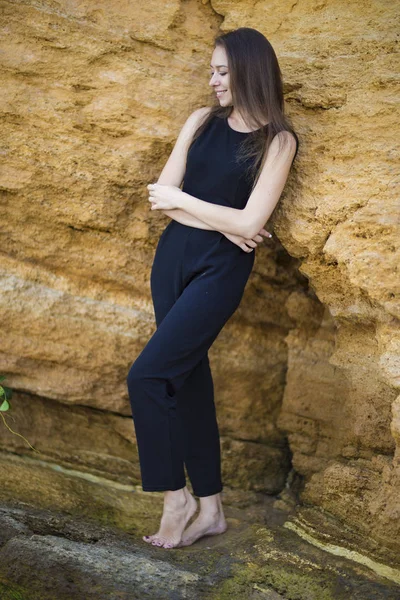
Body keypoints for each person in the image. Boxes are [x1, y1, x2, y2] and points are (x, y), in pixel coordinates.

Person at [126, 27, 299, 550]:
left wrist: (224, 219)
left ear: (249, 70)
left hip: (220, 272)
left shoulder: (278, 141)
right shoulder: (201, 121)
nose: (214, 80)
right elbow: (162, 196)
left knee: (147, 378)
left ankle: (175, 500)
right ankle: (212, 510)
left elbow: (253, 222)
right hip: (172, 260)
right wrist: (230, 223)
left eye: (223, 71)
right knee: (189, 382)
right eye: (212, 70)